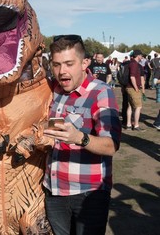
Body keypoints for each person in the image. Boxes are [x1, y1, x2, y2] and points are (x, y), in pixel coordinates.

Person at [43, 35, 121, 235]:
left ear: (85, 63)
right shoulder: (53, 89)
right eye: (57, 65)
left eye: (69, 63)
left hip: (88, 194)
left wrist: (79, 137)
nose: (62, 71)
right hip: (54, 191)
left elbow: (111, 145)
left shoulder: (101, 92)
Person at [126, 49, 146, 131]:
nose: (142, 57)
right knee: (138, 106)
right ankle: (136, 125)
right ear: (138, 55)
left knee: (130, 106)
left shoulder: (133, 64)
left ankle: (128, 124)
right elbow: (132, 77)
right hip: (133, 88)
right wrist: (136, 88)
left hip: (130, 87)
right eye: (141, 55)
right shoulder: (134, 64)